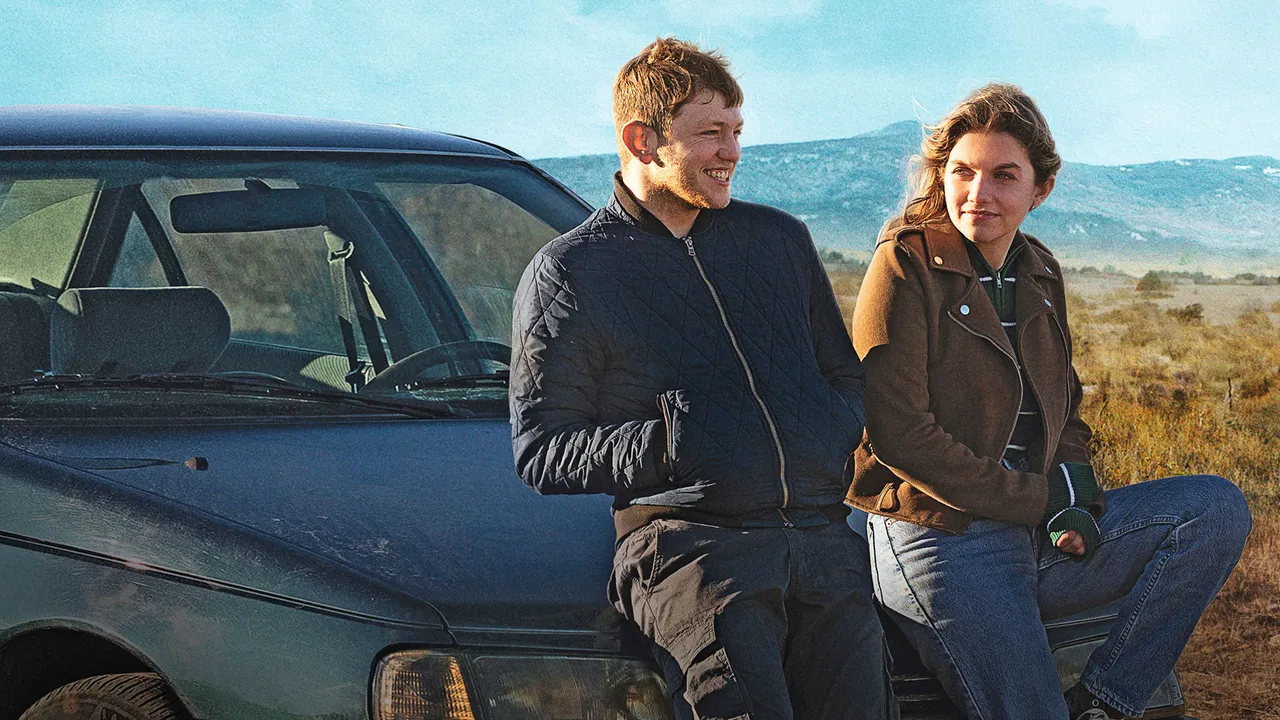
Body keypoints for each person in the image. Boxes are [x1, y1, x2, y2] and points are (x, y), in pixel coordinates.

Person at [510, 37, 894, 720]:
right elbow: (542, 448)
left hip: (821, 541)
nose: (732, 152)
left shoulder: (778, 241)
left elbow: (842, 376)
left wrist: (826, 431)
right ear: (643, 140)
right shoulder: (572, 272)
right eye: (711, 133)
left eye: (737, 131)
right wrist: (675, 440)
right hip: (690, 553)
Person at [847, 82, 1251, 720]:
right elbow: (900, 437)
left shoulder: (1039, 269)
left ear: (1042, 188)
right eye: (962, 172)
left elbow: (1064, 415)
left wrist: (1077, 502)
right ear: (941, 176)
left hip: (1032, 529)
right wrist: (1042, 500)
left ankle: (1107, 702)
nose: (978, 194)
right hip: (939, 534)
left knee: (1214, 509)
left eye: (1004, 176)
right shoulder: (905, 263)